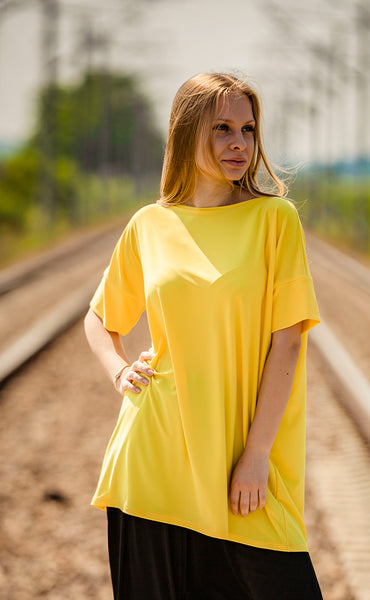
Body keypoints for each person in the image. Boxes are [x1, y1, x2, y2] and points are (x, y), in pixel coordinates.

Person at [84, 72, 322, 599]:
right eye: (221, 128)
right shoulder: (149, 224)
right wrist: (121, 370)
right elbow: (100, 320)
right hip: (151, 462)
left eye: (249, 129)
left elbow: (289, 341)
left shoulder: (274, 220)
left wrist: (257, 454)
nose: (240, 143)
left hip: (246, 464)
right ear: (186, 132)